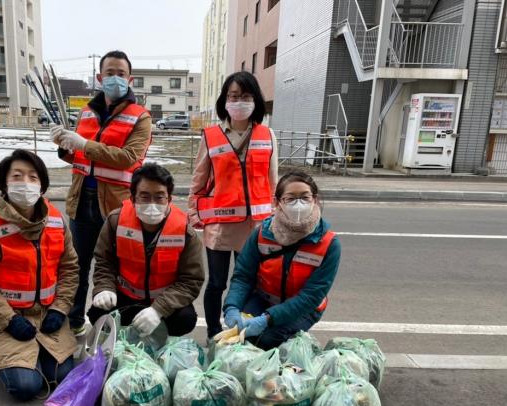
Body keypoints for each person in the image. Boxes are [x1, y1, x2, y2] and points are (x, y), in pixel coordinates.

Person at [0, 149, 80, 401]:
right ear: (4, 183)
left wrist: (60, 309)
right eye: (17, 176)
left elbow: (70, 269)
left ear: (42, 186)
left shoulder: (56, 221)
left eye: (33, 177)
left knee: (62, 377)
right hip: (5, 318)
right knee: (26, 387)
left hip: (47, 314)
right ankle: (9, 362)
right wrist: (9, 319)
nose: (25, 183)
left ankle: (29, 358)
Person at [51, 50, 152, 336]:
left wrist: (81, 144)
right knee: (77, 266)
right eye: (110, 73)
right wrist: (65, 145)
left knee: (116, 270)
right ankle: (73, 322)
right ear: (99, 77)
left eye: (121, 74)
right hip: (82, 199)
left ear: (130, 79)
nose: (115, 78)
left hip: (117, 206)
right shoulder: (87, 111)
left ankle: (113, 328)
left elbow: (128, 158)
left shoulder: (140, 116)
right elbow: (82, 158)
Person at [187, 71, 278, 341]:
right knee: (216, 283)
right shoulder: (211, 136)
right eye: (234, 96)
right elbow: (198, 180)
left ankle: (240, 331)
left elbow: (273, 183)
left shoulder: (267, 135)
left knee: (247, 283)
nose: (240, 102)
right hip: (219, 226)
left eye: (246, 96)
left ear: (256, 100)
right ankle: (214, 332)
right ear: (225, 100)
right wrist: (194, 213)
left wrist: (277, 219)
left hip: (254, 226)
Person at [222, 171, 341, 350]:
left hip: (304, 308)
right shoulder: (262, 233)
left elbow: (310, 296)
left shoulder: (329, 244)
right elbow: (243, 276)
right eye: (290, 198)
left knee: (267, 340)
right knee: (241, 335)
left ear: (314, 200)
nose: (298, 204)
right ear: (277, 202)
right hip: (264, 299)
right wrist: (232, 307)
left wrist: (268, 319)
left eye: (304, 197)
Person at [88, 163, 204, 337]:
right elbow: (104, 262)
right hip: (126, 296)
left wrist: (158, 310)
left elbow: (191, 281)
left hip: (165, 299)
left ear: (169, 199)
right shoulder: (115, 221)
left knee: (185, 320)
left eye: (159, 197)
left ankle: (159, 336)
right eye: (144, 196)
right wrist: (104, 288)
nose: (152, 204)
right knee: (97, 313)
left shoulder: (185, 232)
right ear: (133, 198)